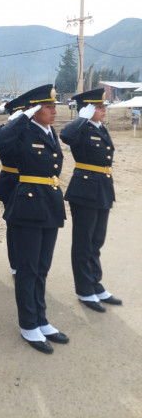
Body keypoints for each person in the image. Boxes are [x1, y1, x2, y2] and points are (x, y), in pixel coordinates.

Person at [0, 84, 69, 354]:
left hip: (49, 203)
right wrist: (23, 115)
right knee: (28, 269)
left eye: (53, 106)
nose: (53, 110)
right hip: (28, 206)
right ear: (34, 110)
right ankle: (28, 324)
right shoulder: (23, 131)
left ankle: (41, 319)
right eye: (47, 106)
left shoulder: (50, 132)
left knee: (42, 268)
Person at [60, 88, 122, 312]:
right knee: (84, 243)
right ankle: (84, 289)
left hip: (102, 188)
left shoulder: (100, 128)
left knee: (97, 241)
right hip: (85, 190)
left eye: (103, 106)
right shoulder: (81, 128)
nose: (103, 110)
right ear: (87, 109)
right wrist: (81, 117)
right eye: (98, 107)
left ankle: (95, 283)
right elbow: (65, 136)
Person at [0, 95, 27, 275]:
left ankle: (25, 261)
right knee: (13, 226)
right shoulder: (3, 131)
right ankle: (15, 265)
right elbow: (1, 145)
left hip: (29, 184)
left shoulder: (30, 132)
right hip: (11, 182)